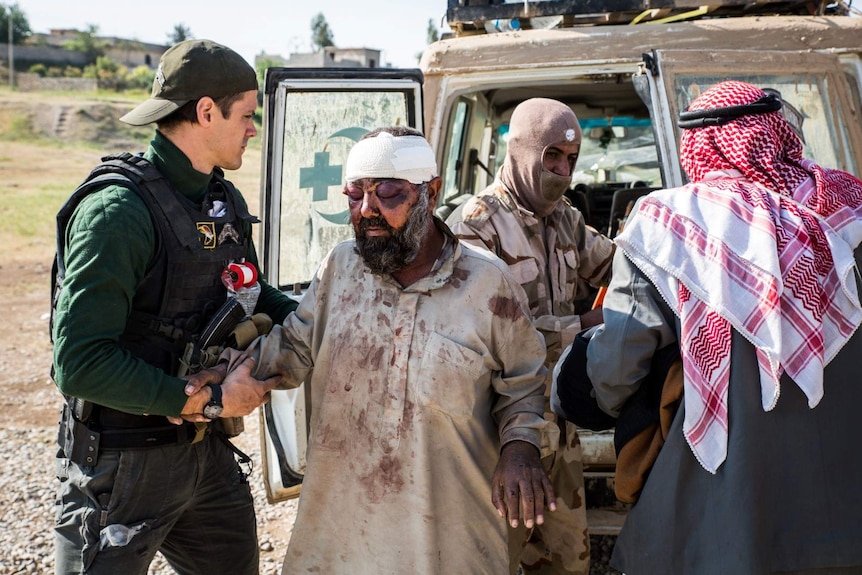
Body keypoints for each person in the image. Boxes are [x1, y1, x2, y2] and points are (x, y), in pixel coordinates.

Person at [207, 126, 555, 574]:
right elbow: (293, 345)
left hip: (447, 532)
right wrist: (227, 375)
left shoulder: (488, 284)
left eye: (388, 193)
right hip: (342, 525)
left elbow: (524, 383)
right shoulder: (341, 267)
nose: (367, 210)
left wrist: (520, 446)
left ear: (430, 191)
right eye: (355, 195)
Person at [584, 80, 862, 574]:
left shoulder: (667, 225)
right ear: (778, 131)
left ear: (699, 145)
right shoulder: (849, 205)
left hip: (726, 519)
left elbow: (617, 371)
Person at [51, 39, 297, 575]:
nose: (254, 130)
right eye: (248, 116)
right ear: (206, 111)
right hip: (122, 465)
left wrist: (321, 318)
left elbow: (252, 291)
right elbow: (78, 363)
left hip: (204, 458)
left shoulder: (221, 200)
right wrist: (207, 401)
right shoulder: (116, 213)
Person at [446, 97, 615, 575]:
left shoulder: (566, 219)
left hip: (557, 428)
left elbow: (618, 264)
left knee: (568, 562)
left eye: (571, 159)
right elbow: (485, 336)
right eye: (551, 157)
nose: (562, 171)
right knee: (491, 560)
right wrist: (583, 327)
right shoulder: (475, 226)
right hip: (496, 436)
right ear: (522, 152)